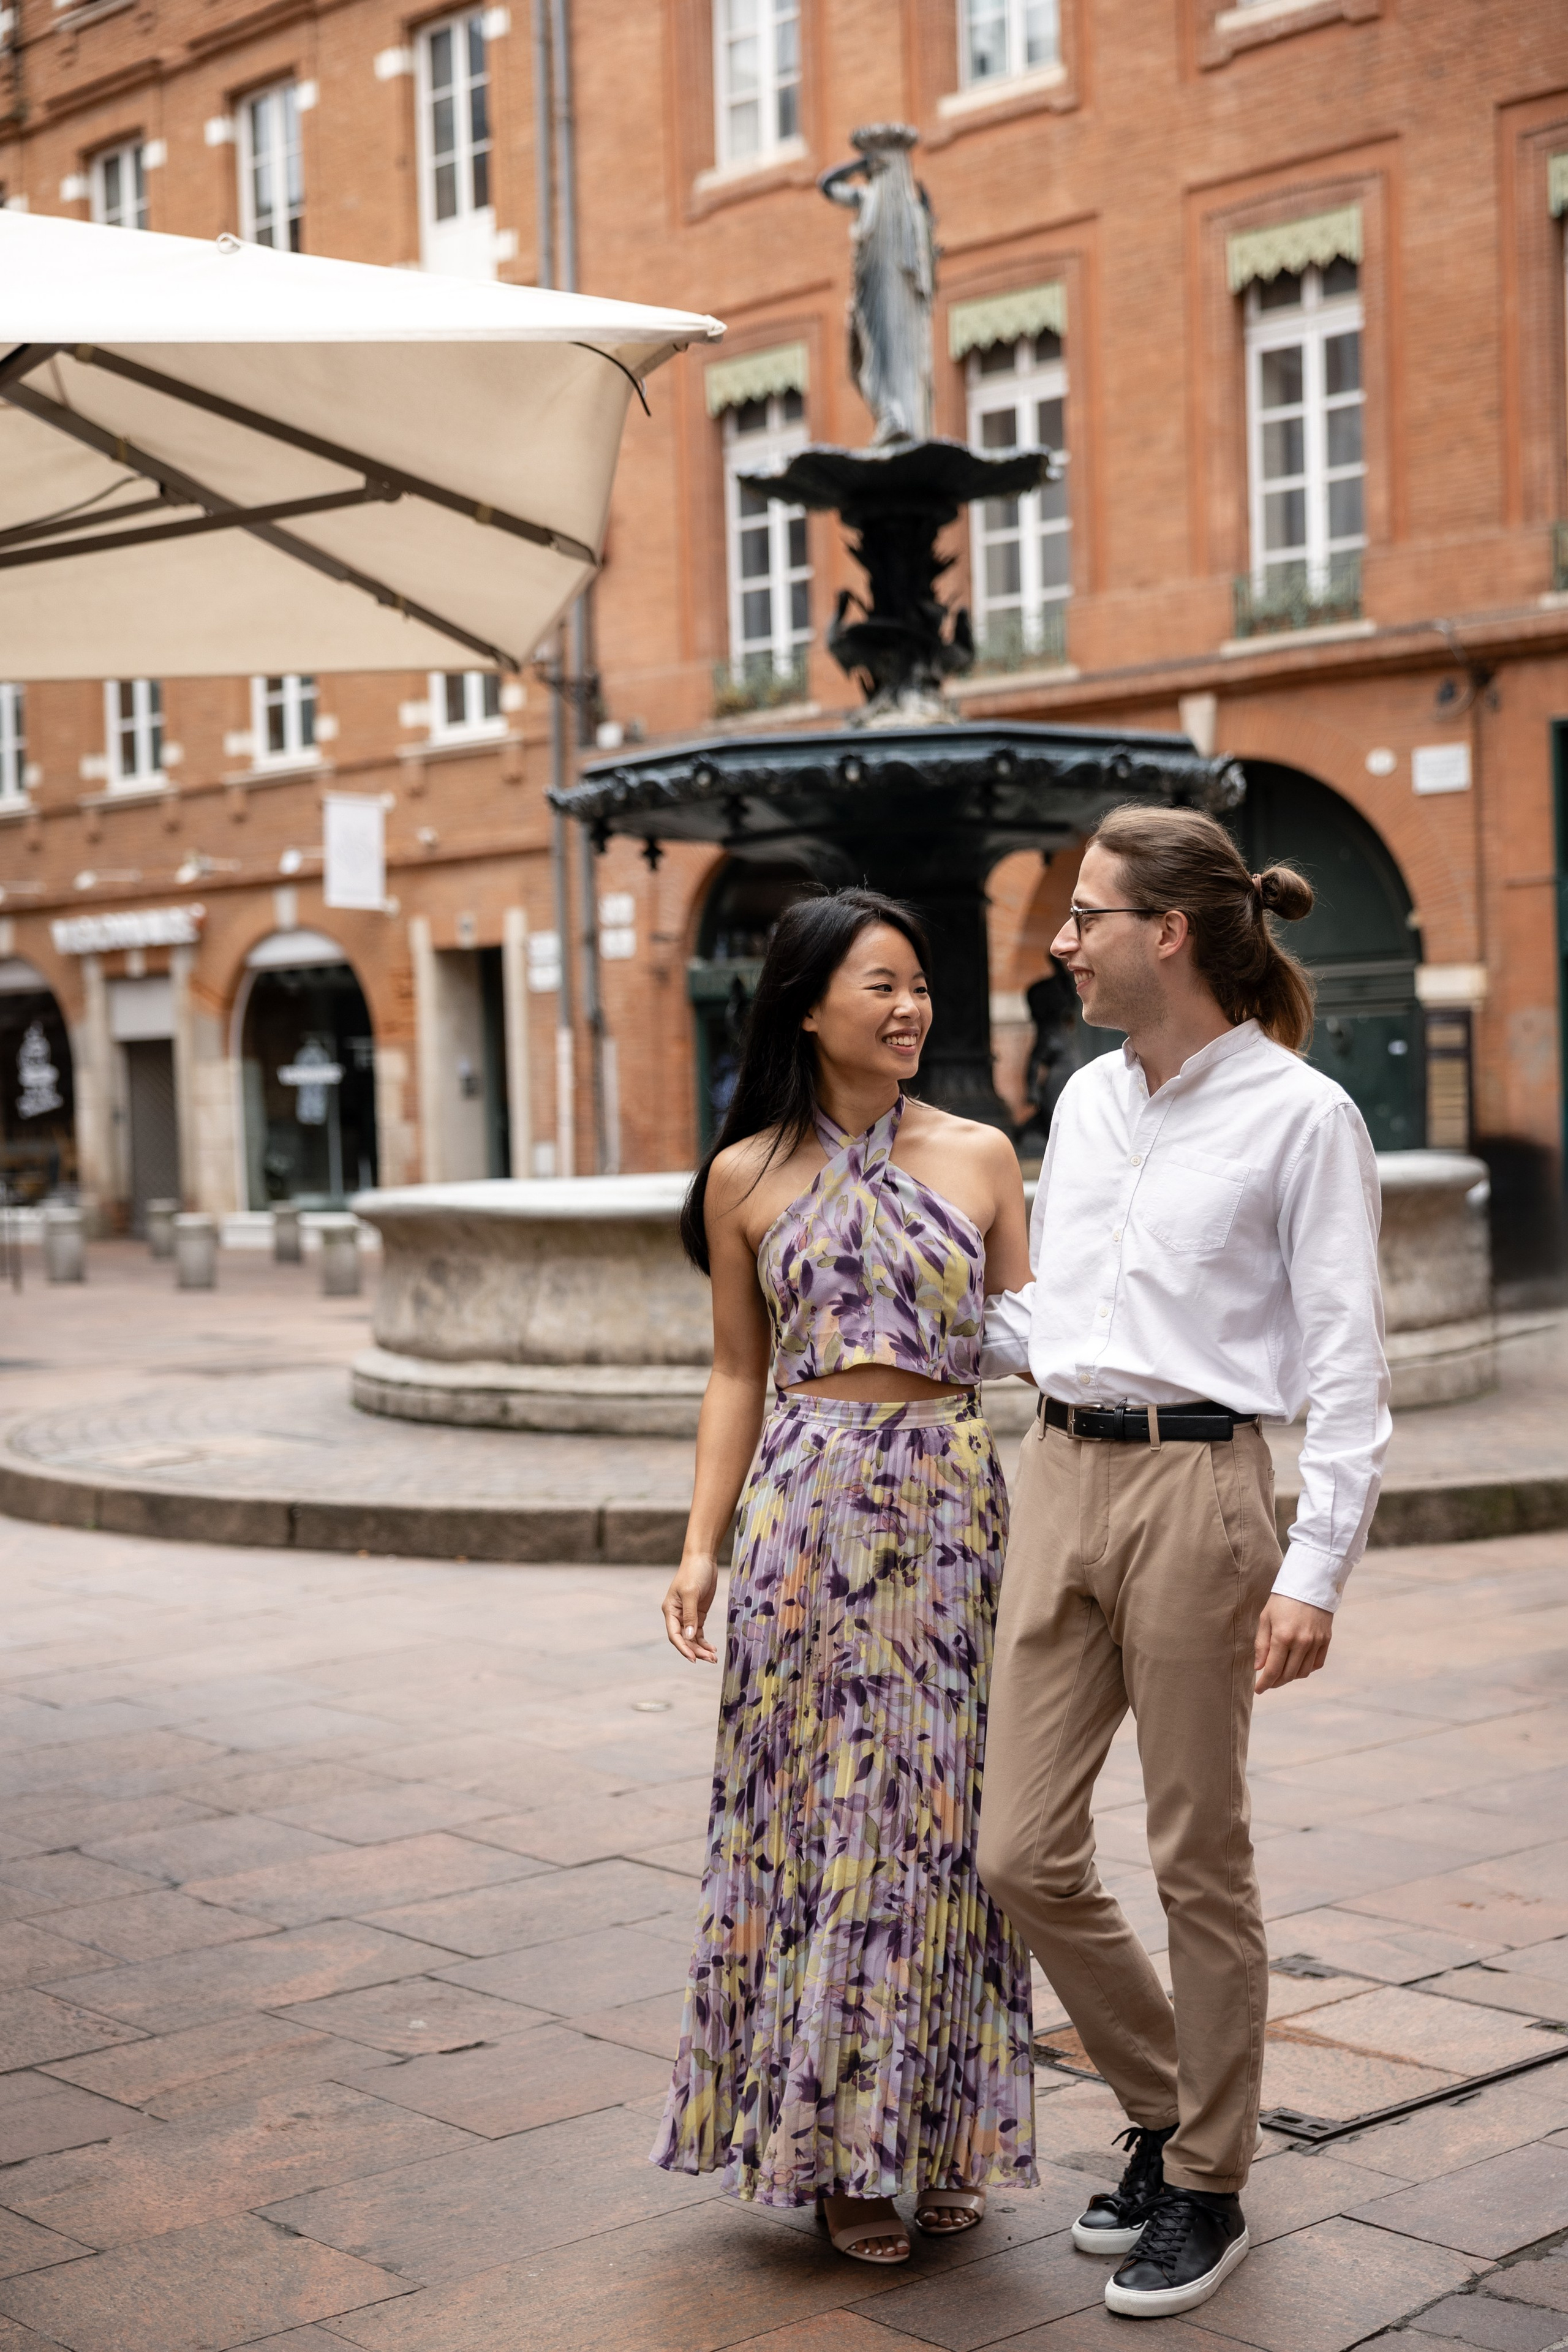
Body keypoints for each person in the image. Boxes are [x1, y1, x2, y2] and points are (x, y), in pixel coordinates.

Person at [976, 804, 1390, 2321]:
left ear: (1169, 931)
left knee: (1194, 1853)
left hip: (1204, 1493)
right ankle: (1167, 2103)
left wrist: (1315, 1568)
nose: (1060, 940)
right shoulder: (1085, 1102)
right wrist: (911, 1325)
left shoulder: (1298, 1116)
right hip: (1059, 1472)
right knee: (1016, 1850)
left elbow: (1348, 1369)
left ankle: (1205, 2182)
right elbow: (1059, 1314)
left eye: (1085, 913)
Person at [651, 886, 1037, 2264]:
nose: (908, 1006)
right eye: (878, 983)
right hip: (804, 1518)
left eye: (918, 983)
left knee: (943, 1831)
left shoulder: (983, 1158)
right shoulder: (744, 1174)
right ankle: (835, 2149)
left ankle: (935, 2131)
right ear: (806, 1005)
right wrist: (699, 1547)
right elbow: (735, 1370)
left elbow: (1031, 1356)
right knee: (819, 1829)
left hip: (947, 1506)